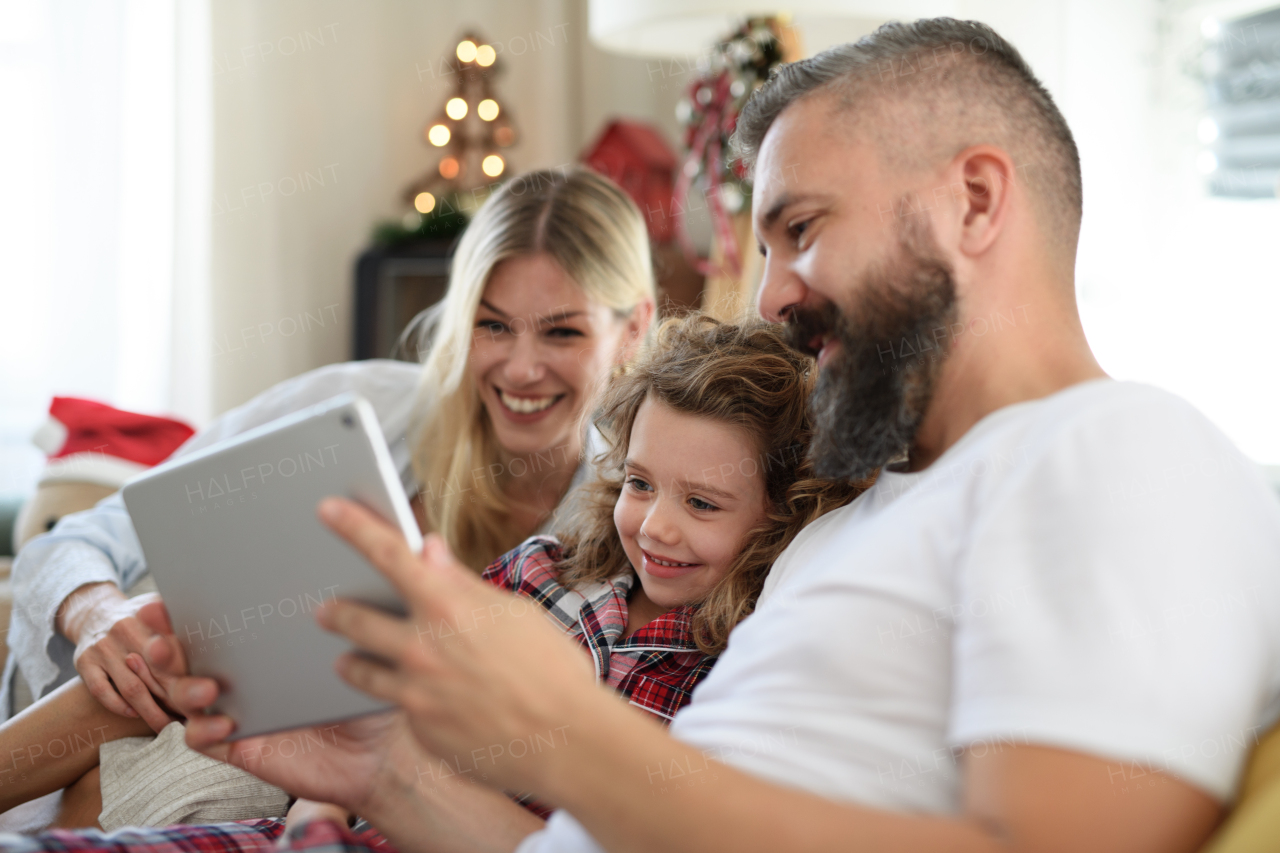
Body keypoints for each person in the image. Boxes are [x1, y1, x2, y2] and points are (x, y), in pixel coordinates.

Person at [8, 15, 1280, 853]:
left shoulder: (1109, 453)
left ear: (972, 198)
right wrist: (383, 770)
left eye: (800, 227)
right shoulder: (857, 518)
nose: (769, 290)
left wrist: (562, 728)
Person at [0, 315, 863, 834]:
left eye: (703, 504)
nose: (657, 524)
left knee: (105, 785)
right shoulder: (546, 570)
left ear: (780, 516)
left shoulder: (724, 671)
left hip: (427, 813)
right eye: (639, 484)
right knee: (164, 633)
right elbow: (404, 696)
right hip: (344, 772)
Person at [1, 164, 656, 828]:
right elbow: (81, 539)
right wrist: (94, 611)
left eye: (562, 331)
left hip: (269, 746)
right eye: (493, 326)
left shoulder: (627, 521)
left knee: (160, 780)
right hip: (112, 680)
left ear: (634, 327)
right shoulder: (354, 407)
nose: (520, 367)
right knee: (166, 641)